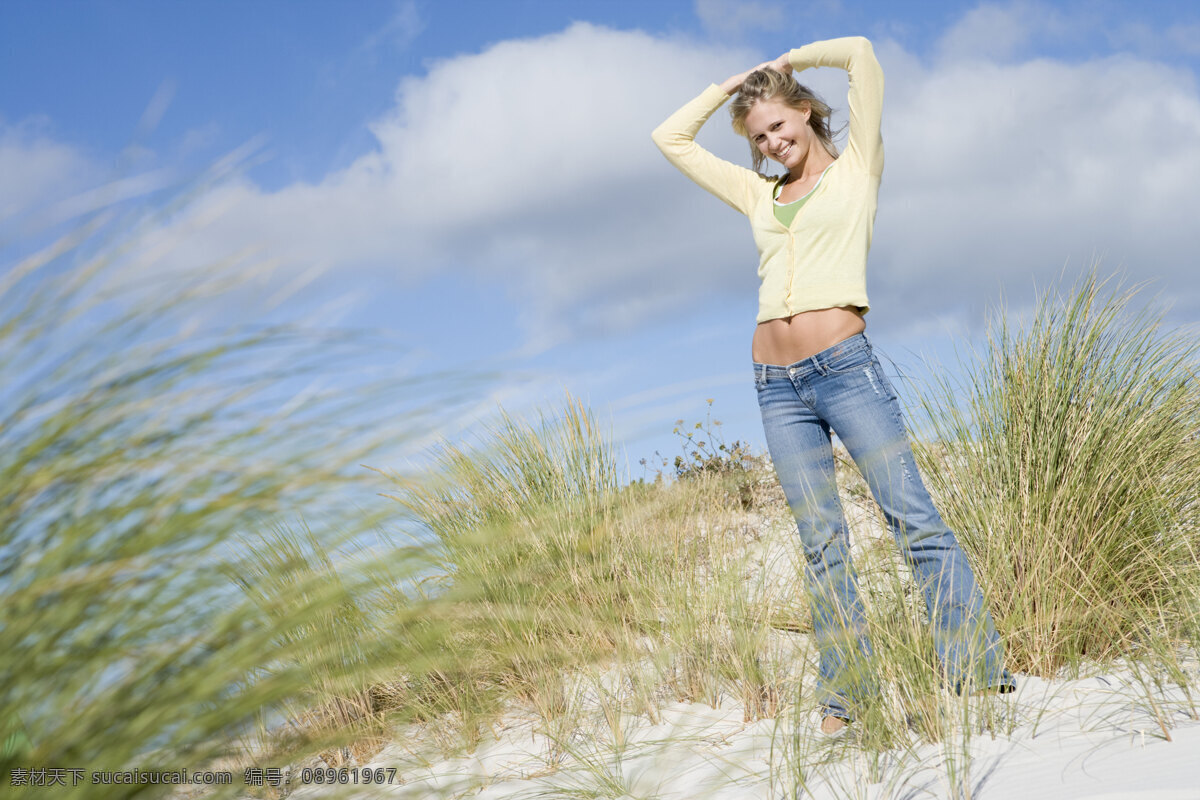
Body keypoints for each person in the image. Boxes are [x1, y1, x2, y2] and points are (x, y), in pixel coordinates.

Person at [651, 36, 1013, 734]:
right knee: (821, 542)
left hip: (845, 369)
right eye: (758, 137)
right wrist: (731, 86)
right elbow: (670, 138)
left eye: (779, 126)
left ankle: (978, 673)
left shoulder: (857, 172)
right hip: (774, 385)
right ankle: (847, 700)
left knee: (913, 519)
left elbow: (864, 57)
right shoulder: (757, 194)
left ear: (807, 114)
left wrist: (789, 60)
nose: (771, 143)